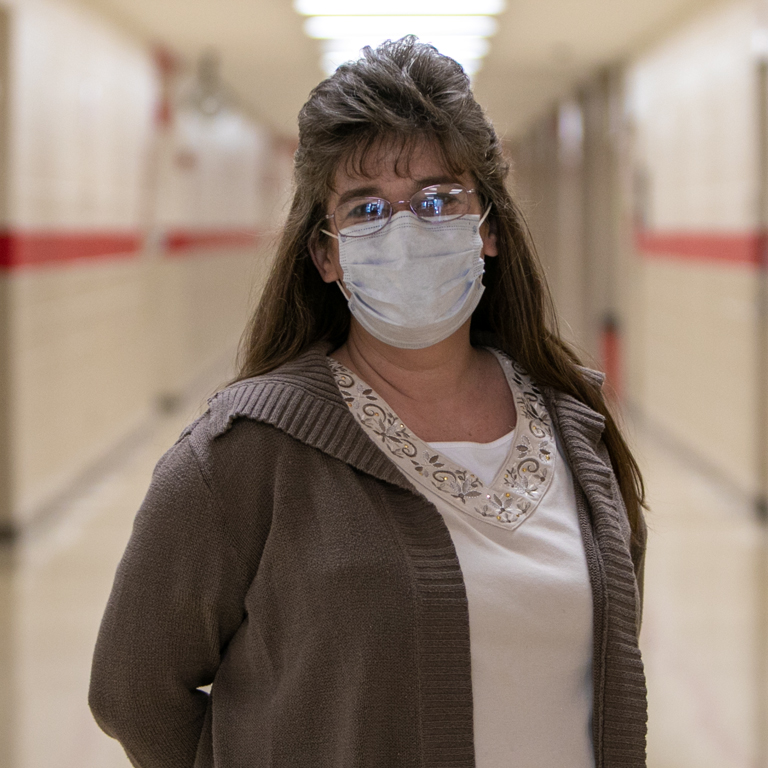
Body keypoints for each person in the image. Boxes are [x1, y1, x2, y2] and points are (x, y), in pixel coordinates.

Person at [89, 36, 648, 768]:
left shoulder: (575, 424)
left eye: (439, 199)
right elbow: (132, 691)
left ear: (488, 229)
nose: (406, 229)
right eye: (366, 208)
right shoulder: (243, 455)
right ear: (325, 254)